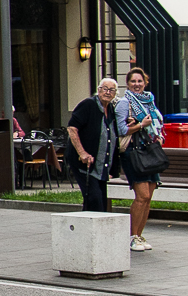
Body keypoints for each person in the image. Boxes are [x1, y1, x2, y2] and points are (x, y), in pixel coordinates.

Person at [117, 66, 165, 252]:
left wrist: (158, 135)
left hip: (150, 151)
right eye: (133, 82)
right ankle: (132, 236)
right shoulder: (124, 103)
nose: (137, 85)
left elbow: (158, 124)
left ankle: (140, 234)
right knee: (142, 195)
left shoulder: (149, 102)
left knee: (149, 196)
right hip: (134, 152)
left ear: (145, 82)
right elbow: (121, 130)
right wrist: (140, 125)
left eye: (139, 81)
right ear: (128, 84)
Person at [67, 78, 121, 216]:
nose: (107, 92)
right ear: (98, 90)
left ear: (115, 93)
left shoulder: (111, 109)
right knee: (94, 198)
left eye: (111, 90)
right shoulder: (88, 105)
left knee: (99, 198)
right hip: (85, 163)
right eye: (105, 88)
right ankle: (95, 232)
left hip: (100, 165)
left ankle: (86, 231)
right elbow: (72, 128)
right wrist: (82, 152)